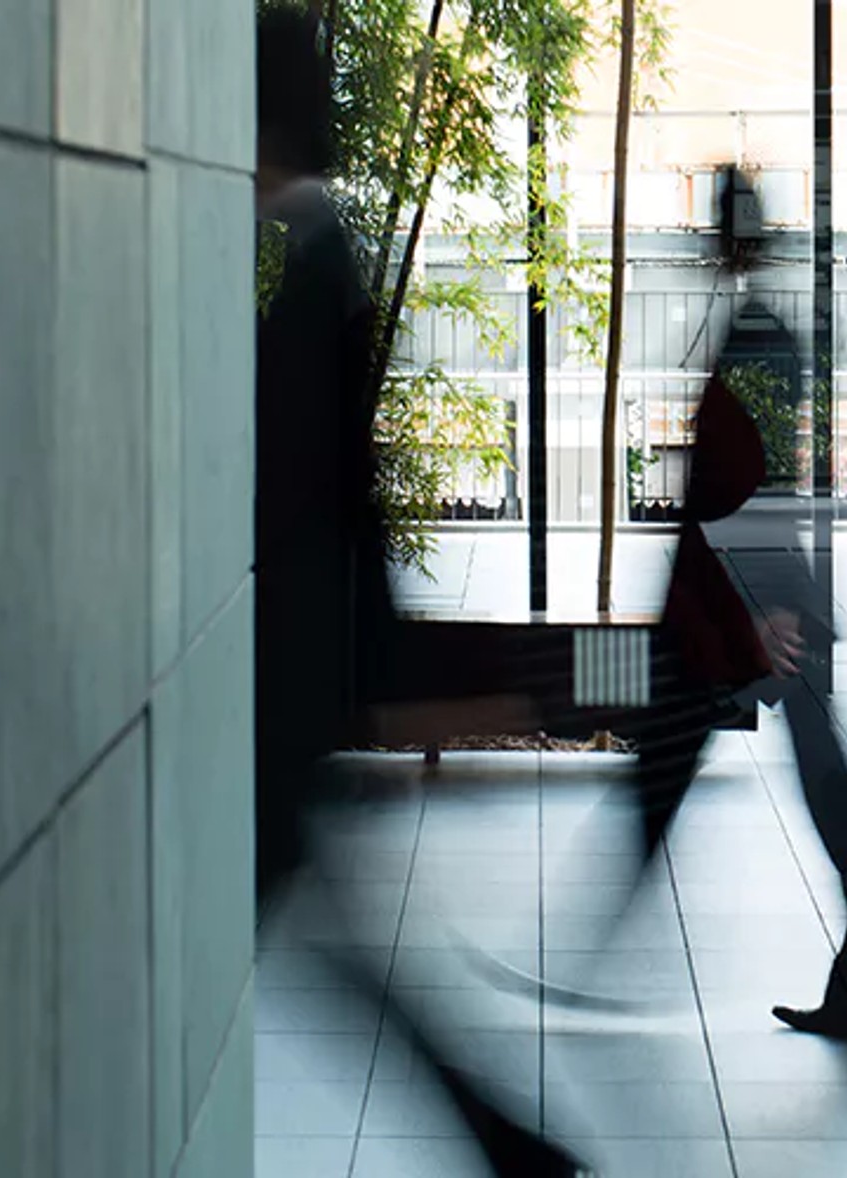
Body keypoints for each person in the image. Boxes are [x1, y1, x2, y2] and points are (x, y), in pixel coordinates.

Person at [245, 12, 585, 1175]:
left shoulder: (315, 272)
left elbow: (328, 493)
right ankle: (510, 1143)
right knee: (342, 956)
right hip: (298, 665)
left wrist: (370, 671)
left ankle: (511, 1143)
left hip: (288, 672)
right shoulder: (320, 260)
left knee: (330, 952)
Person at [609, 166, 847, 1038]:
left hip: (759, 609)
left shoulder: (756, 335)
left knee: (802, 782)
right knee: (780, 776)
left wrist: (763, 609)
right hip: (754, 601)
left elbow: (767, 482)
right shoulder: (758, 326)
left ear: (722, 235)